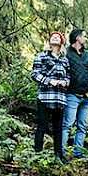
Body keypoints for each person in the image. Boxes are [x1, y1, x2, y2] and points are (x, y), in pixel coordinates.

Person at [30, 31, 70, 165]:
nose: (55, 37)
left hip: (60, 98)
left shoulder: (65, 60)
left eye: (58, 37)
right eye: (52, 36)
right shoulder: (41, 56)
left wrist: (65, 82)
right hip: (45, 97)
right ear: (49, 41)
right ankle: (38, 155)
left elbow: (68, 77)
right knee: (42, 126)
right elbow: (34, 74)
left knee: (58, 128)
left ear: (61, 42)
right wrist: (49, 81)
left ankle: (59, 156)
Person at [61, 28, 88, 159]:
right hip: (72, 95)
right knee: (67, 125)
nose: (86, 39)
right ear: (77, 38)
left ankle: (78, 153)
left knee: (82, 125)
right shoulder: (66, 53)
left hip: (87, 96)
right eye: (84, 36)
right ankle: (61, 152)